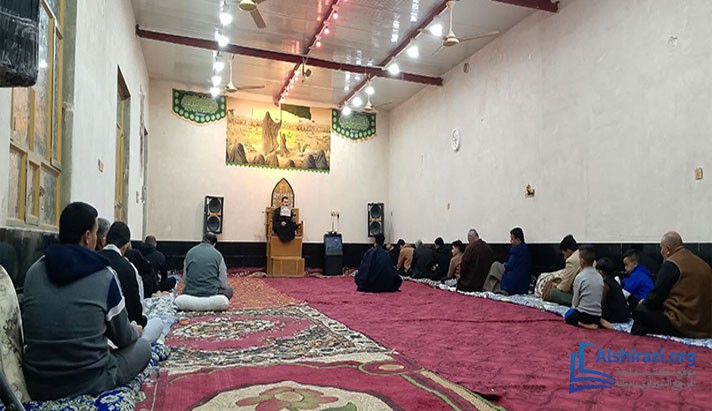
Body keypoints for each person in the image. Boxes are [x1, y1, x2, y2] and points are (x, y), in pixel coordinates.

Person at [22, 202, 151, 400]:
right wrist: (136, 329)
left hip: (39, 384)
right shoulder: (104, 274)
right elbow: (123, 338)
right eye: (96, 233)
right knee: (144, 347)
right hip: (91, 381)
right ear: (87, 236)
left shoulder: (33, 272)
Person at [631, 231, 712, 338]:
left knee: (640, 310)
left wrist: (644, 302)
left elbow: (655, 299)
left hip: (683, 324)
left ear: (668, 249)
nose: (661, 252)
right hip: (706, 326)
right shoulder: (703, 264)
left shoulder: (670, 264)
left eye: (661, 248)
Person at [100, 222, 163, 343]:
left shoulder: (92, 262)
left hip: (95, 336)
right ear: (126, 245)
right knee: (157, 324)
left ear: (105, 240)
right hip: (119, 338)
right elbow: (136, 310)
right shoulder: (127, 267)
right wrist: (140, 323)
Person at [183, 232, 233, 300]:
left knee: (184, 289)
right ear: (214, 244)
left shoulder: (190, 253)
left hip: (191, 293)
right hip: (211, 294)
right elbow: (223, 284)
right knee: (229, 290)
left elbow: (185, 279)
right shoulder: (218, 255)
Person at [564, 245, 603, 329]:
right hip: (597, 316)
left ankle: (583, 324)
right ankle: (595, 323)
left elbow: (575, 302)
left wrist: (573, 310)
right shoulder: (599, 276)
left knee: (568, 316)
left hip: (583, 315)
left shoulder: (580, 277)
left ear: (582, 261)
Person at [539, 234, 581, 306]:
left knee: (552, 293)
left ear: (569, 251)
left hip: (580, 298)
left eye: (564, 254)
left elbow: (565, 287)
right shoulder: (583, 254)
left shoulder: (572, 260)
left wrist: (555, 286)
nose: (564, 257)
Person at [595, 257, 631, 327]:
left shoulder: (606, 284)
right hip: (624, 315)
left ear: (601, 272)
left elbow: (601, 302)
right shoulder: (613, 281)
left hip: (615, 316)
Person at [499, 227, 533, 295]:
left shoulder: (516, 250)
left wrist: (505, 264)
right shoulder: (525, 248)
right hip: (523, 283)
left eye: (512, 239)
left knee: (495, 266)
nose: (511, 241)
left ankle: (489, 288)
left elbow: (509, 266)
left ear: (517, 239)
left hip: (514, 283)